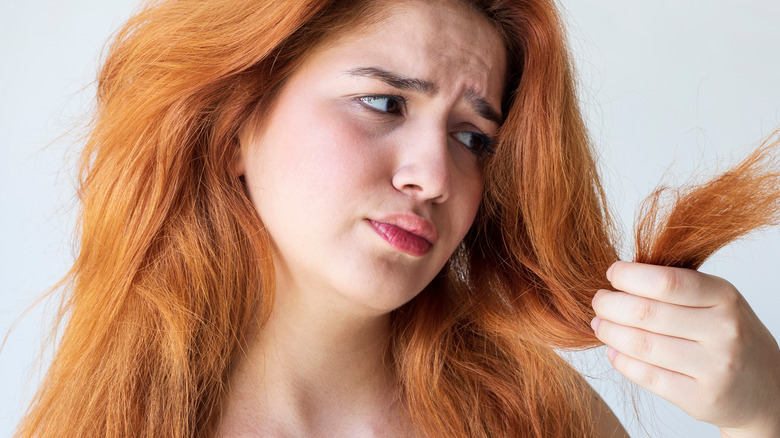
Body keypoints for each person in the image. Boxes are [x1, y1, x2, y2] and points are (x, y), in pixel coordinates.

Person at [12, 0, 780, 436]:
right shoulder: (110, 417)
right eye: (384, 103)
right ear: (239, 122)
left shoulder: (536, 417)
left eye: (473, 138)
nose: (435, 177)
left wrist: (763, 415)